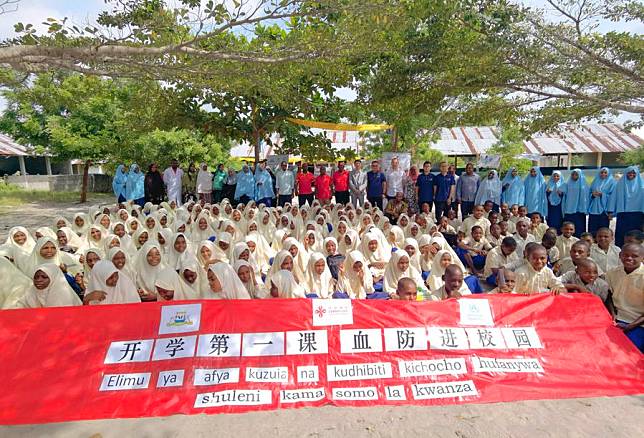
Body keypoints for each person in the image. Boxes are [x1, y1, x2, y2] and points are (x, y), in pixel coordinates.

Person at [605, 243, 643, 352]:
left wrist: (630, 326)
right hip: (614, 319)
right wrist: (612, 315)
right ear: (620, 255)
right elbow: (609, 296)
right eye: (625, 255)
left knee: (627, 352)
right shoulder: (612, 273)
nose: (629, 258)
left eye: (634, 256)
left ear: (642, 257)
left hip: (637, 323)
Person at [13, 263, 82, 308]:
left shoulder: (64, 296)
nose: (39, 280)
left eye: (44, 277)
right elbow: (19, 307)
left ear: (53, 278)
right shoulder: (31, 292)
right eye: (36, 277)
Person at [608, 166, 643, 247]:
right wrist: (611, 211)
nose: (631, 174)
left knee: (636, 236)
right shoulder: (620, 185)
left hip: (638, 214)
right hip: (623, 214)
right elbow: (613, 198)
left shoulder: (642, 186)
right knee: (622, 235)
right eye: (629, 172)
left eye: (633, 173)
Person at [560, 168, 588, 237]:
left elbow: (587, 197)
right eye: (573, 174)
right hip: (569, 211)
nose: (574, 176)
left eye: (576, 174)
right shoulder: (568, 183)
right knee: (568, 230)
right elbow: (561, 191)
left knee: (579, 230)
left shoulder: (584, 184)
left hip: (580, 211)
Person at [588, 167, 616, 236]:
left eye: (605, 172)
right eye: (601, 172)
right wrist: (592, 195)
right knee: (592, 230)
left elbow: (613, 196)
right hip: (593, 209)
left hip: (604, 211)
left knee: (603, 231)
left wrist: (602, 195)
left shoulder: (612, 182)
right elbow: (589, 193)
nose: (603, 174)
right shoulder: (595, 181)